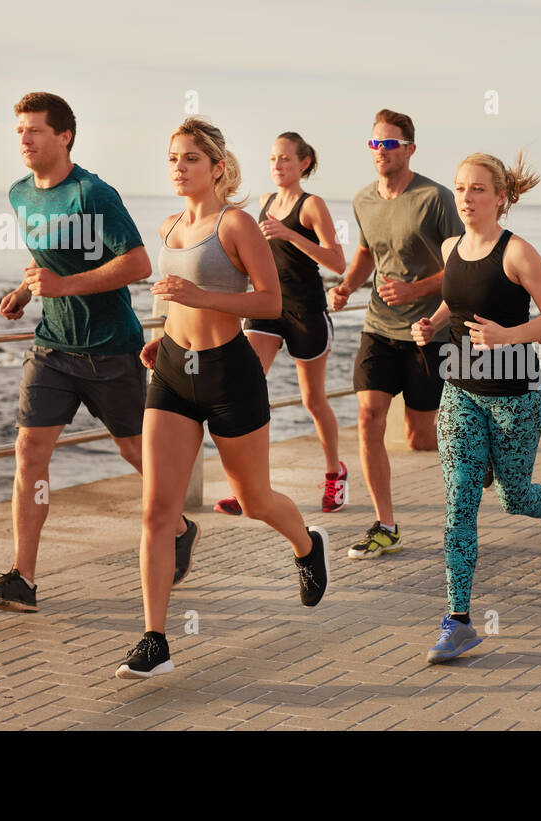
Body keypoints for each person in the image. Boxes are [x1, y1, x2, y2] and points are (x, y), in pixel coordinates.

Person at [115, 117, 329, 679]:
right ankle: (154, 639)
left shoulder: (236, 224)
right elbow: (176, 298)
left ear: (216, 167)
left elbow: (269, 301)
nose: (178, 168)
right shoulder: (166, 227)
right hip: (171, 372)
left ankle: (307, 545)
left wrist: (200, 295)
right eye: (171, 158)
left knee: (253, 499)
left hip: (229, 373)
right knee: (157, 510)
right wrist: (164, 333)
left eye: (189, 158)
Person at [0, 91, 197, 614]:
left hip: (109, 348)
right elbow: (48, 259)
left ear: (64, 135)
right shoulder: (20, 194)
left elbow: (139, 263)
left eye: (35, 131)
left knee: (133, 451)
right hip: (52, 347)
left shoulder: (92, 194)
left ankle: (181, 528)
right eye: (19, 132)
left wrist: (63, 286)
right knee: (29, 451)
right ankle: (23, 578)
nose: (24, 140)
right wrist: (28, 290)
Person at [410, 152, 541, 664]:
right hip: (460, 389)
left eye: (478, 189)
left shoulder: (518, 253)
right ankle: (458, 619)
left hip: (516, 395)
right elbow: (456, 300)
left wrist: (507, 337)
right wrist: (433, 324)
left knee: (513, 496)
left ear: (500, 197)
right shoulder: (451, 245)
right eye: (461, 188)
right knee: (460, 498)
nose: (466, 197)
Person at [328, 109, 463, 559]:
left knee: (420, 437)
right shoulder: (363, 199)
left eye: (389, 143)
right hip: (379, 327)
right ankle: (385, 524)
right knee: (368, 418)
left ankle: (478, 451)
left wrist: (416, 289)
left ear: (409, 148)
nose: (380, 151)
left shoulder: (435, 199)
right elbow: (367, 250)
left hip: (429, 331)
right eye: (374, 143)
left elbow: (463, 269)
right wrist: (347, 284)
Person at [213, 132, 349, 517]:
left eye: (286, 159)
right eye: (273, 159)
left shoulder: (311, 206)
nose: (277, 165)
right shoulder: (264, 203)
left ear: (303, 163)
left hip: (306, 311)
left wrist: (290, 233)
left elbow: (338, 263)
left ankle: (334, 474)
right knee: (246, 390)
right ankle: (247, 489)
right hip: (268, 310)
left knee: (313, 400)